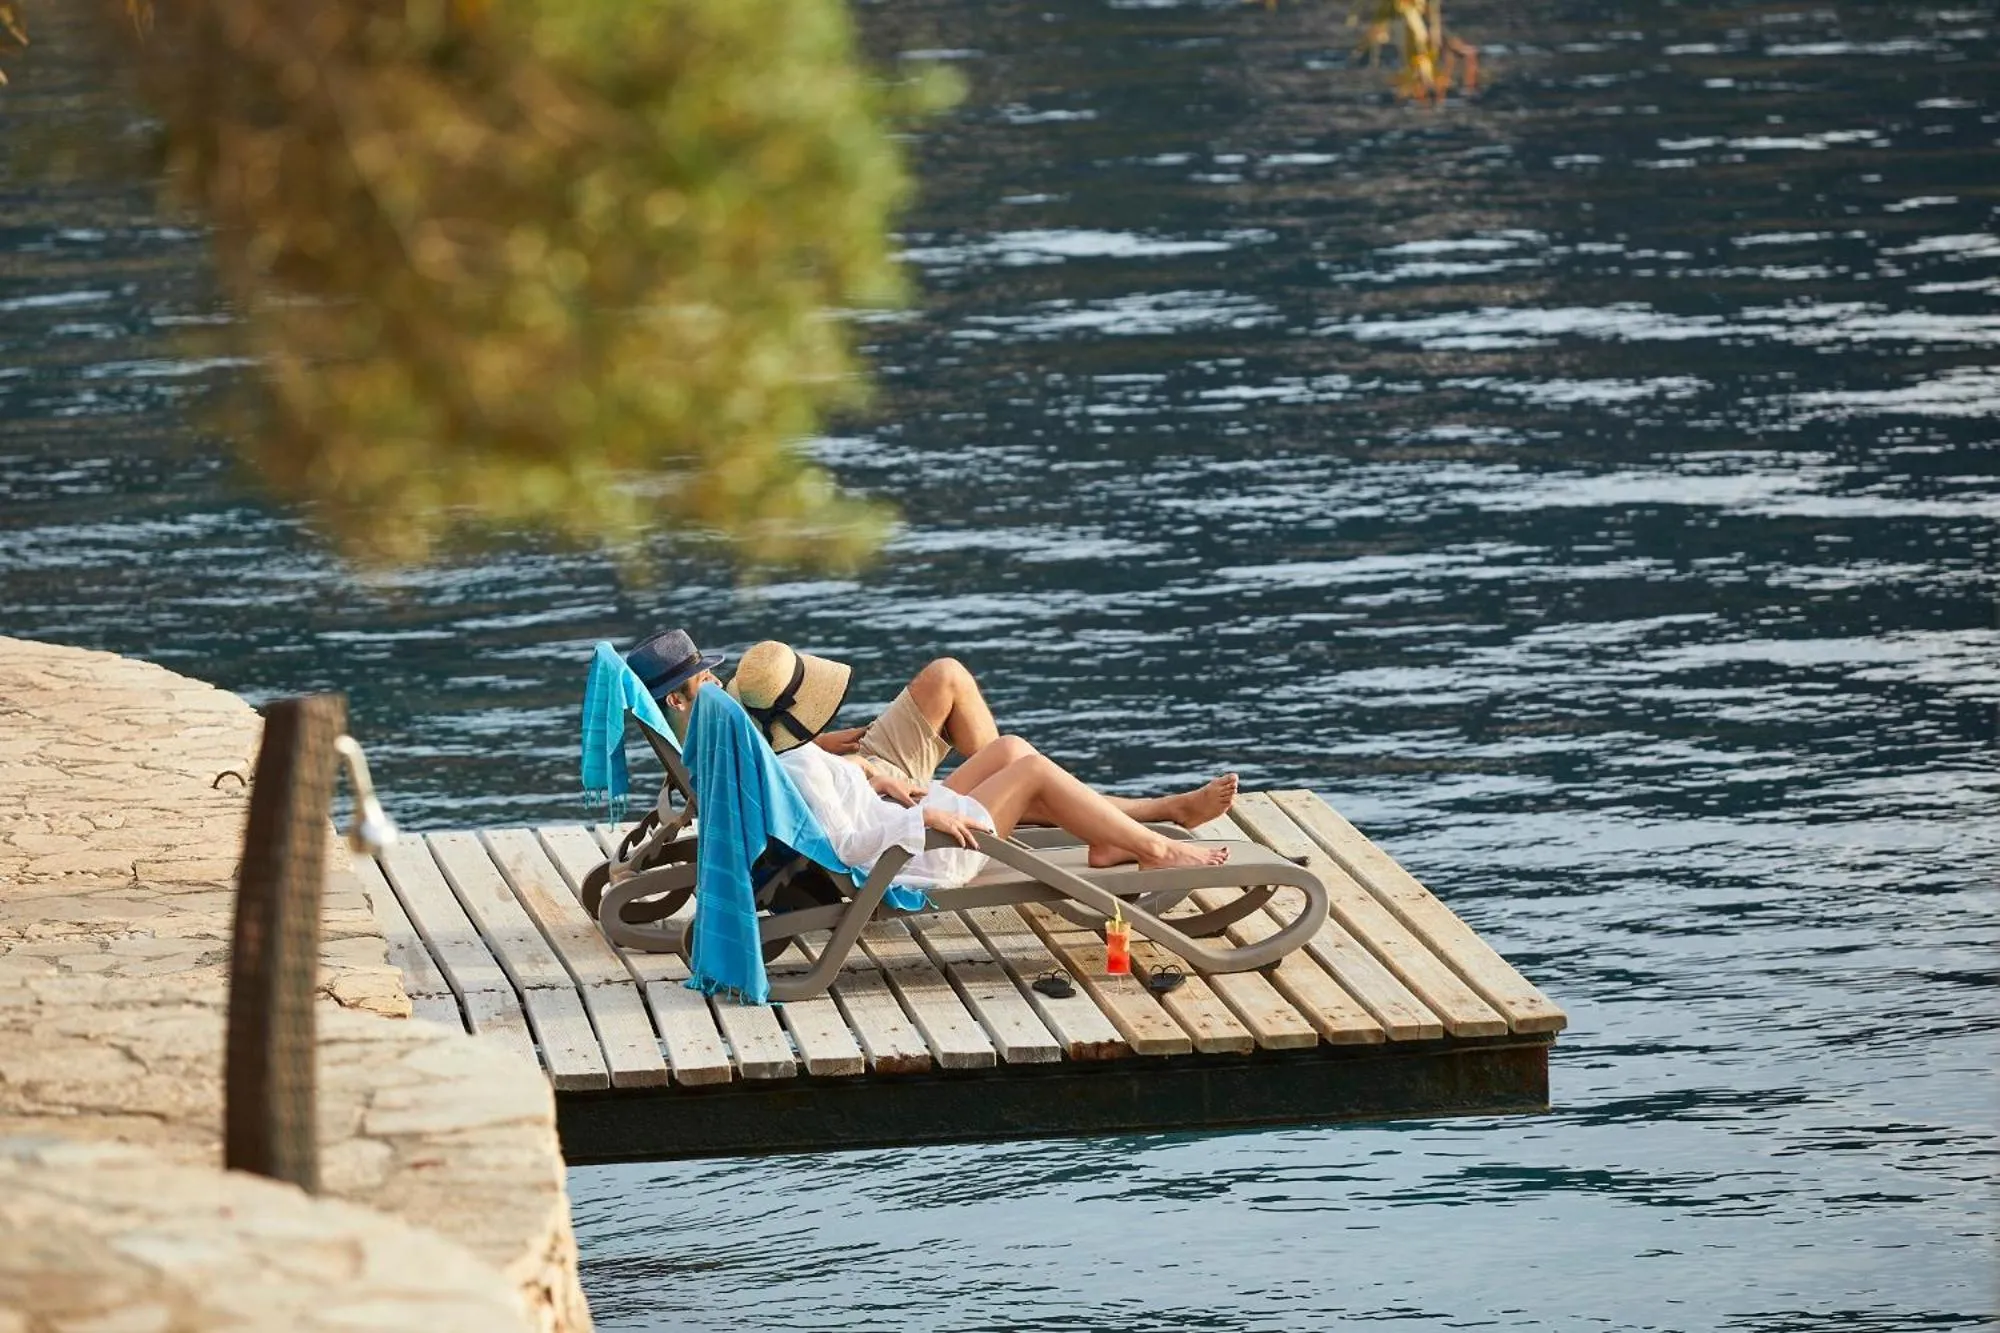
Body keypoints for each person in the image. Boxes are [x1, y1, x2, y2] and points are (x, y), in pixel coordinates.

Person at [710, 639, 1231, 889]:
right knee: (1033, 772)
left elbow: (838, 803)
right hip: (922, 853)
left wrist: (875, 777)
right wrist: (923, 818)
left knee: (1010, 750)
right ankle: (1156, 846)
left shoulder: (786, 753)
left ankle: (1106, 838)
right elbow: (846, 843)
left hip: (902, 815)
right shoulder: (797, 767)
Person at [621, 627, 1238, 831]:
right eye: (703, 678)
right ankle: (1156, 814)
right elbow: (793, 783)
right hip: (855, 791)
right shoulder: (716, 726)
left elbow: (777, 763)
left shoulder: (703, 725)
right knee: (1015, 761)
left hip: (830, 767)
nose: (713, 682)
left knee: (953, 685)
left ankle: (1016, 793)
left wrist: (817, 742)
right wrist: (846, 762)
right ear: (677, 695)